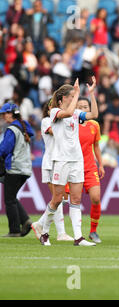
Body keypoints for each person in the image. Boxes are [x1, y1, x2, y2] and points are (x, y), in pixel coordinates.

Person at [37, 78, 98, 246]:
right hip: (61, 160)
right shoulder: (54, 112)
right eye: (71, 96)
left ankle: (78, 238)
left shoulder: (76, 114)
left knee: (76, 199)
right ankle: (45, 233)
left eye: (74, 96)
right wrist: (78, 93)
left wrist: (91, 94)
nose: (74, 99)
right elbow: (68, 113)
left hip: (77, 160)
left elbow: (94, 115)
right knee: (57, 199)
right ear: (62, 98)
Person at [31, 101, 73, 241]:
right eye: (53, 105)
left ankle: (41, 224)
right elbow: (57, 133)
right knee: (58, 197)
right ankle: (59, 233)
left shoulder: (61, 121)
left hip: (61, 161)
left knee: (60, 197)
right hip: (50, 163)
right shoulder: (46, 121)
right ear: (49, 108)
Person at [0, 103, 34, 237]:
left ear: (11, 114)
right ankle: (25, 221)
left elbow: (4, 149)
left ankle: (14, 230)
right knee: (12, 197)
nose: (3, 116)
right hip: (25, 168)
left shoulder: (12, 129)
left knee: (9, 199)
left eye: (5, 113)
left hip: (14, 168)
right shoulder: (24, 127)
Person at [76, 91, 105, 244]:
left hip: (89, 167)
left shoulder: (94, 124)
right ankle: (68, 232)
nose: (83, 109)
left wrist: (100, 164)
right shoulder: (71, 122)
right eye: (79, 106)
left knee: (95, 198)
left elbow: (96, 145)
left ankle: (93, 231)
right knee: (67, 200)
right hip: (73, 167)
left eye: (85, 106)